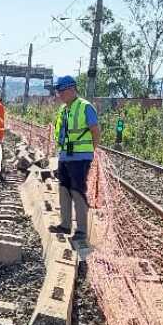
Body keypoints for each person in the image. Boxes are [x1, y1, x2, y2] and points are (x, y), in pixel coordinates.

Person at [49, 75, 101, 241]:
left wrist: (90, 150)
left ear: (72, 89)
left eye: (61, 91)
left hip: (80, 158)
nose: (59, 94)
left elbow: (95, 131)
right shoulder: (63, 109)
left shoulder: (85, 107)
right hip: (65, 156)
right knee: (64, 189)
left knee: (77, 191)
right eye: (58, 92)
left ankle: (81, 231)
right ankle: (65, 225)